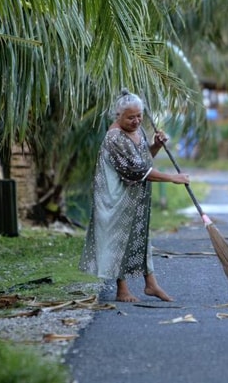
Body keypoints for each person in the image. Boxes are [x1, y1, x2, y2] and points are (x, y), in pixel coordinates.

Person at [79, 90, 190, 302]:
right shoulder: (115, 138)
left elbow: (145, 160)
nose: (137, 120)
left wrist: (156, 145)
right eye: (131, 117)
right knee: (122, 240)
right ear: (117, 116)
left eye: (139, 116)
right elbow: (137, 171)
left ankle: (151, 284)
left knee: (140, 237)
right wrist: (172, 178)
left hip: (134, 195)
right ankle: (122, 290)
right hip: (115, 198)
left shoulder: (138, 131)